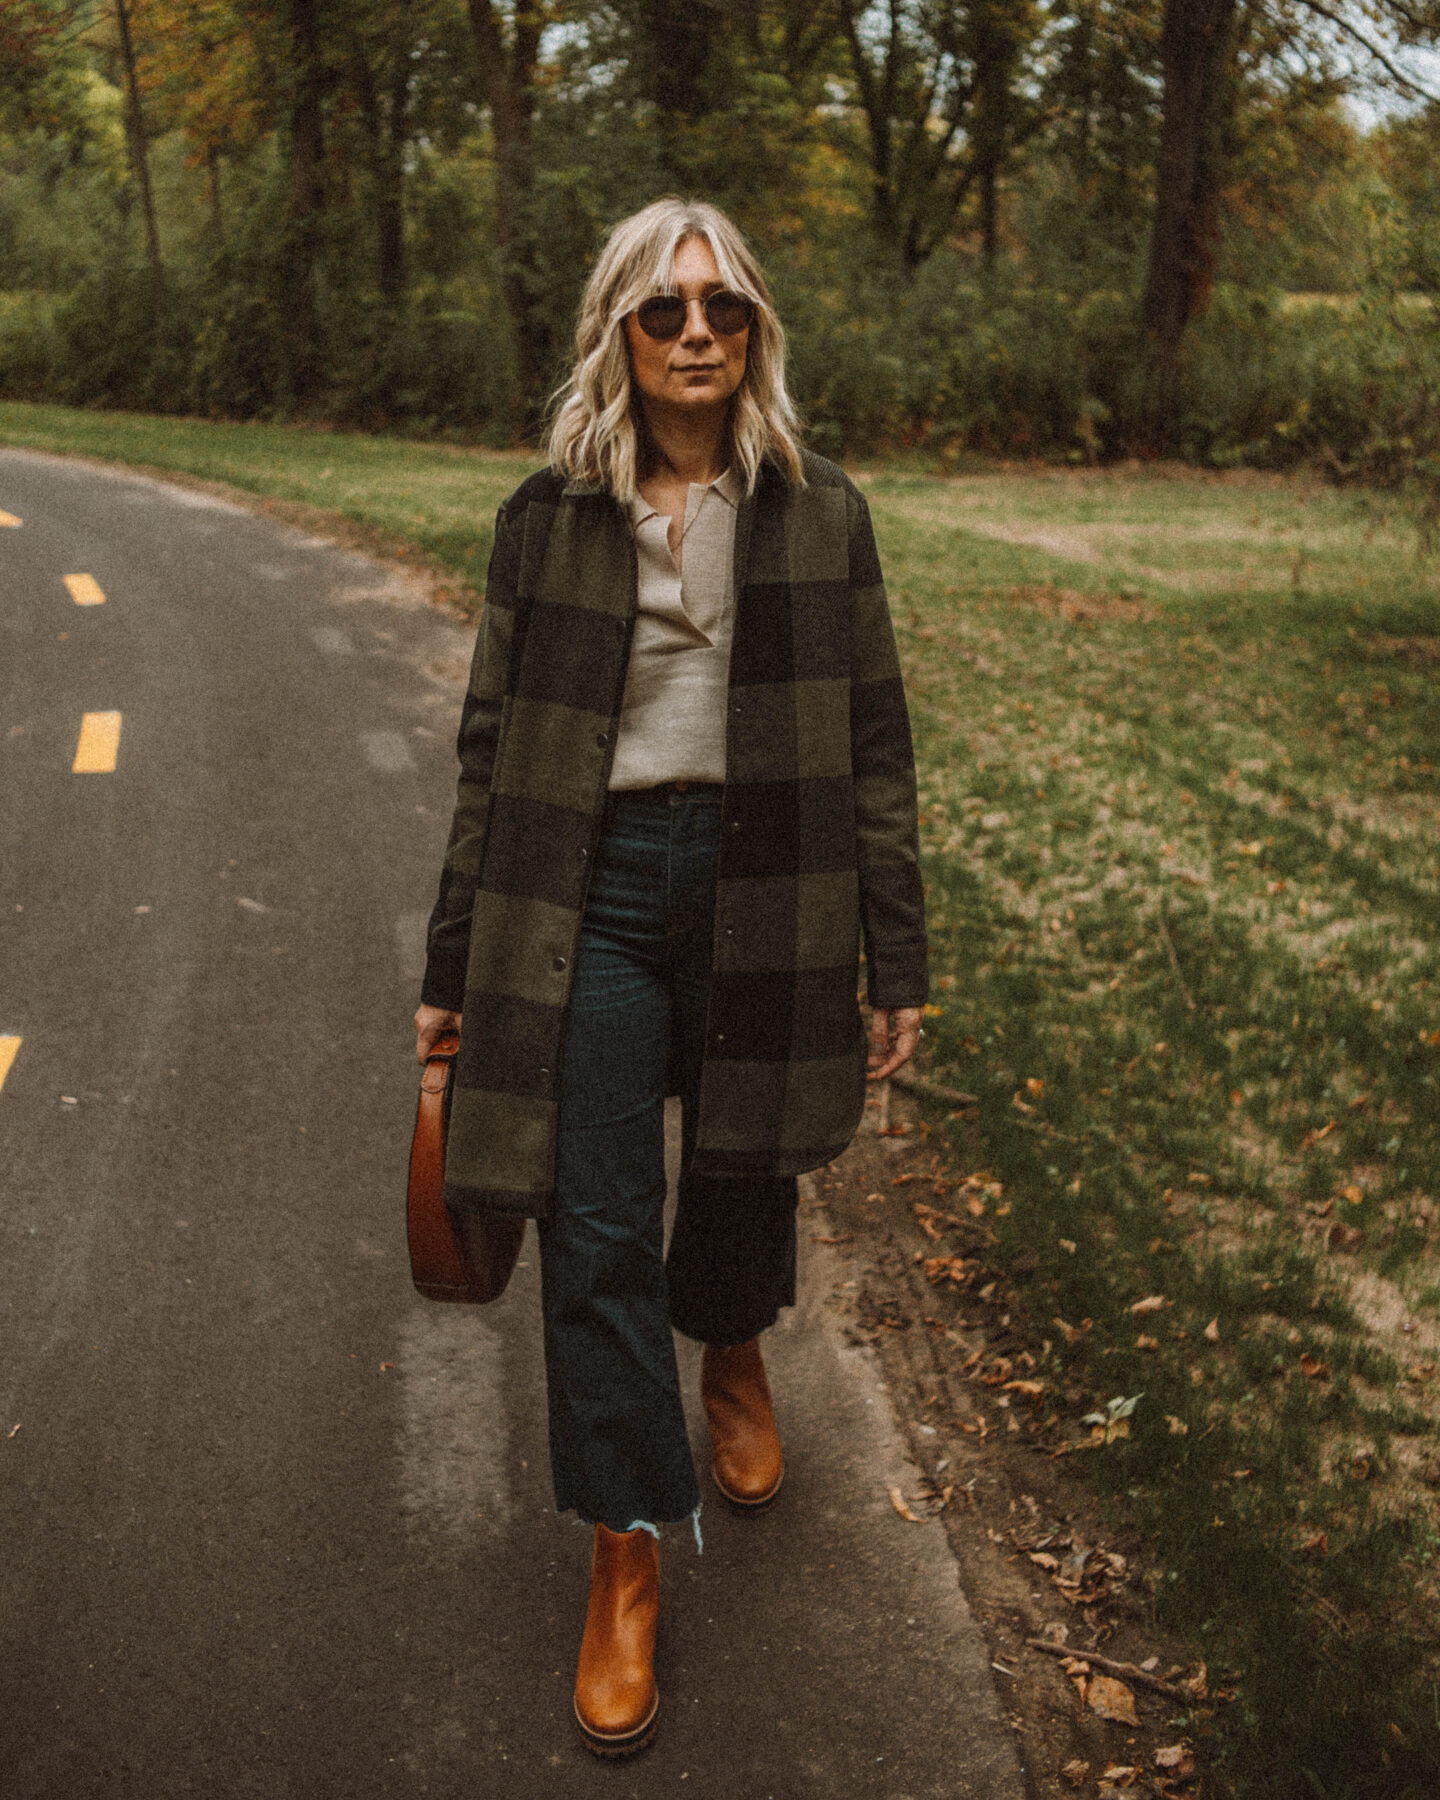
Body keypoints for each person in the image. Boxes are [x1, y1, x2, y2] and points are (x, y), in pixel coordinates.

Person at [413, 197, 927, 1757]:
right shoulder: (545, 520)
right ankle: (628, 1544)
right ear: (618, 334)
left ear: (754, 330)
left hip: (770, 883)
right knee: (597, 1219)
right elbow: (492, 763)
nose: (696, 330)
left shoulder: (821, 512)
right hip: (599, 894)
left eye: (722, 307)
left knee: (745, 1162)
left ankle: (739, 1346)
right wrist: (451, 965)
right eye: (662, 309)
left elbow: (881, 749)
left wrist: (896, 950)